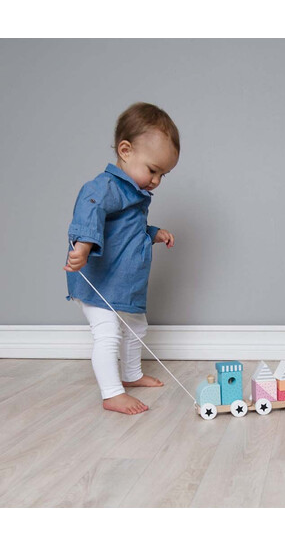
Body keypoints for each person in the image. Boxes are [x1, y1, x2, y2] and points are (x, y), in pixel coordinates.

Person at [64, 102, 180, 415]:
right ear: (125, 151)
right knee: (108, 334)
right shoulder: (105, 187)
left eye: (163, 175)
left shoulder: (132, 193)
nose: (156, 181)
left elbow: (127, 230)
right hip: (100, 282)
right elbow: (89, 212)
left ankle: (131, 374)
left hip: (124, 284)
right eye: (152, 170)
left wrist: (153, 233)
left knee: (136, 328)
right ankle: (112, 393)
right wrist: (83, 246)